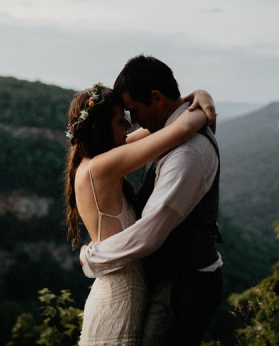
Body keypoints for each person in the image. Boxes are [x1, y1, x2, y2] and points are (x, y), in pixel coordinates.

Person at [80, 55, 223, 345]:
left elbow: (149, 234)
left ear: (156, 98)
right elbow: (174, 128)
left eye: (133, 112)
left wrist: (93, 257)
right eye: (124, 120)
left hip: (184, 283)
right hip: (163, 279)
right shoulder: (164, 132)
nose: (133, 125)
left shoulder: (186, 154)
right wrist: (197, 98)